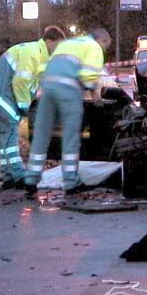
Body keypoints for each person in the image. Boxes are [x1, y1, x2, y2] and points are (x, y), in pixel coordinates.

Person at [23, 28, 111, 195]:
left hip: (47, 88)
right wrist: (96, 96)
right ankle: (71, 182)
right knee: (70, 136)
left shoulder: (68, 43)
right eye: (106, 45)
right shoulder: (93, 46)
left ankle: (31, 179)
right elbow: (89, 73)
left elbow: (44, 68)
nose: (105, 49)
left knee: (41, 135)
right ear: (101, 40)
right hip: (68, 90)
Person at [0, 26, 67, 189]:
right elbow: (21, 82)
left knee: (5, 133)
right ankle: (19, 175)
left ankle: (8, 175)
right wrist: (25, 107)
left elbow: (33, 83)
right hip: (0, 90)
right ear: (49, 42)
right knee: (10, 131)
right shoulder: (33, 53)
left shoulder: (39, 55)